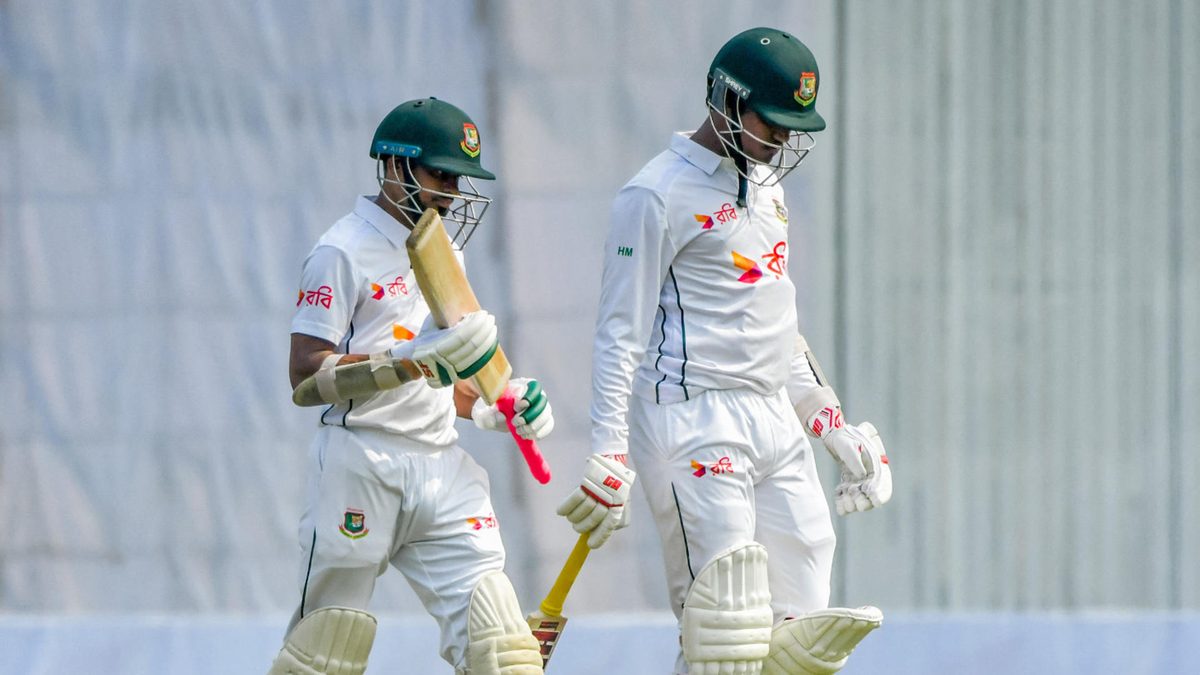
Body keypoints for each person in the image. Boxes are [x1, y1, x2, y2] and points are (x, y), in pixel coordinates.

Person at [556, 28, 893, 675]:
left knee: (800, 641)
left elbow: (776, 326)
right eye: (774, 122)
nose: (783, 141)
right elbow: (618, 331)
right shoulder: (654, 194)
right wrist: (607, 447)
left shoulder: (769, 188)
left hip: (773, 419)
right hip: (693, 421)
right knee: (726, 634)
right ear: (727, 101)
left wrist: (830, 422)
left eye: (794, 128)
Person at [269, 97, 553, 675]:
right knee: (324, 652)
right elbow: (304, 374)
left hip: (441, 467)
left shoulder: (443, 251)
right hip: (361, 462)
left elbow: (447, 379)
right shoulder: (340, 251)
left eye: (459, 178)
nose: (450, 192)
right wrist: (403, 360)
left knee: (503, 650)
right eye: (439, 175)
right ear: (395, 166)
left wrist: (497, 405)